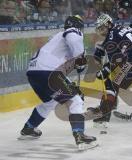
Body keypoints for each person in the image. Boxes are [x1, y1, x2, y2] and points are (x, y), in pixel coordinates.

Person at [18, 15, 97, 150]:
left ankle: (29, 128)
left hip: (34, 73)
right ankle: (80, 136)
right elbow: (72, 36)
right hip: (48, 72)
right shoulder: (73, 31)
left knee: (50, 102)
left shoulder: (56, 38)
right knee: (76, 100)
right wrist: (80, 58)